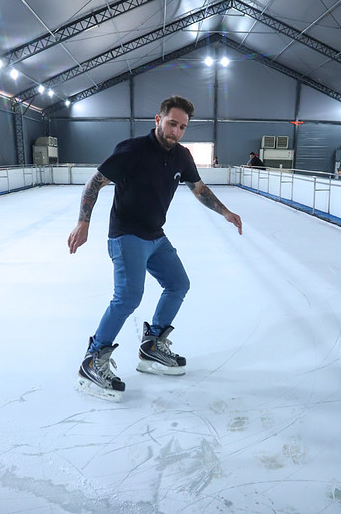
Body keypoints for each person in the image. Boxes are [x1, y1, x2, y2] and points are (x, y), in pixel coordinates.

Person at [67, 95, 243, 401]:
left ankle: (152, 345)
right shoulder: (132, 150)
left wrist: (226, 212)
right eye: (172, 123)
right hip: (126, 235)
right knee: (128, 298)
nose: (176, 131)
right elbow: (94, 183)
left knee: (178, 284)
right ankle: (92, 360)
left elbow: (198, 188)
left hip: (155, 235)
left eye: (182, 127)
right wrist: (83, 222)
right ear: (158, 120)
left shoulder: (182, 156)